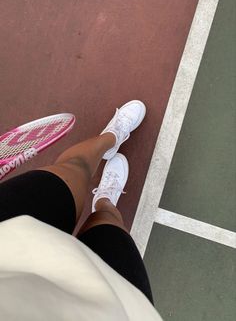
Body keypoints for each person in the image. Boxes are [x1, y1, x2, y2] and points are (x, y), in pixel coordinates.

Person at [0, 100, 163, 320]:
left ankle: (111, 137)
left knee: (72, 169)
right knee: (108, 225)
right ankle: (105, 201)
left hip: (6, 243)